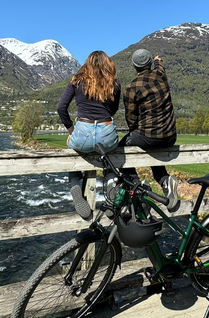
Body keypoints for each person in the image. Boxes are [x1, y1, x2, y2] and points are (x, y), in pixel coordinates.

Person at [57, 50, 120, 219]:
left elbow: (61, 108)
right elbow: (113, 111)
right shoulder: (114, 83)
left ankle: (75, 186)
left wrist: (71, 131)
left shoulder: (76, 81)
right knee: (112, 153)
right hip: (106, 131)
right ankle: (111, 183)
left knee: (72, 149)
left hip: (82, 131)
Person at [119, 48, 179, 211]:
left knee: (119, 149)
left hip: (148, 137)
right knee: (153, 148)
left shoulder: (132, 87)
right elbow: (159, 66)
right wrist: (157, 61)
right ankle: (165, 181)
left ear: (134, 66)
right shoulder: (160, 75)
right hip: (170, 136)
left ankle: (136, 187)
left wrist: (134, 133)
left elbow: (131, 118)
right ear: (150, 63)